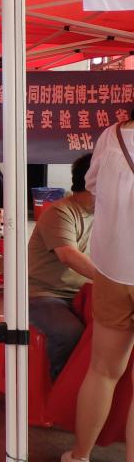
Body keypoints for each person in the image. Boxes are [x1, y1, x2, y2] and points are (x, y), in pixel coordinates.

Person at [62, 112, 134, 462]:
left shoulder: (112, 136)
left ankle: (79, 456)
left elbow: (91, 186)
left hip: (112, 270)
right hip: (113, 269)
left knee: (103, 371)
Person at [28, 153, 96, 380]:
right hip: (44, 295)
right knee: (70, 333)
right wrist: (109, 280)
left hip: (84, 293)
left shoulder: (105, 214)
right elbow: (68, 255)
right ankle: (59, 386)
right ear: (95, 181)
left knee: (116, 329)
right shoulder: (61, 211)